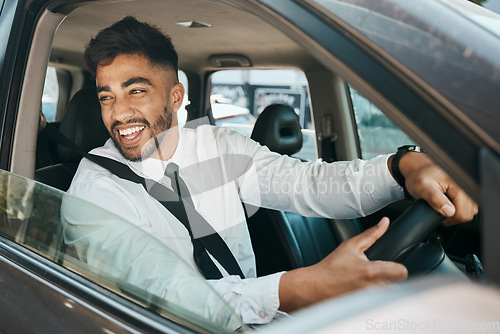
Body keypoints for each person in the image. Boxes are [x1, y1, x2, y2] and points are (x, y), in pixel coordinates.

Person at [64, 16, 477, 325]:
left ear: (175, 97)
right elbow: (156, 296)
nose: (119, 113)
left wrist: (401, 166)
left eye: (136, 90)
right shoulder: (95, 189)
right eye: (106, 97)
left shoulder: (217, 147)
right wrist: (295, 289)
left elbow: (308, 183)